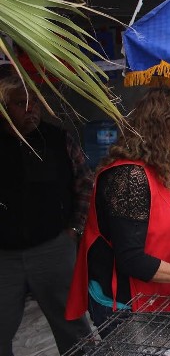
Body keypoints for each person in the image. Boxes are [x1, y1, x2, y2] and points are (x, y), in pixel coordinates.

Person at [65, 88, 170, 332]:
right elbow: (132, 259)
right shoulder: (127, 177)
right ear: (163, 131)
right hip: (124, 303)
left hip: (163, 295)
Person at [0, 74, 92, 356]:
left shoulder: (58, 139)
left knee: (73, 327)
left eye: (35, 103)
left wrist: (74, 230)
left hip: (53, 248)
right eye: (21, 104)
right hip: (4, 257)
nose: (31, 110)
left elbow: (85, 184)